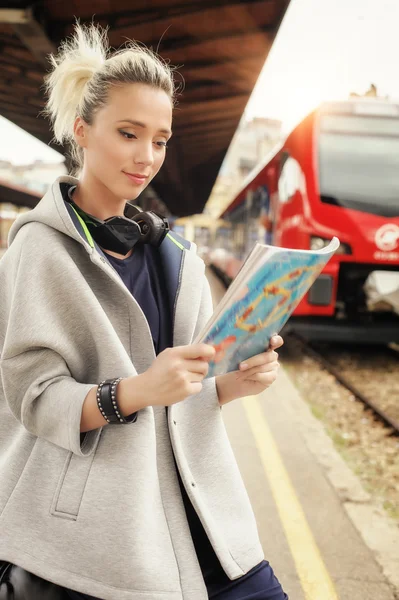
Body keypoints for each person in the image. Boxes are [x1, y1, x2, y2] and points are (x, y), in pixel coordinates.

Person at [0, 22, 287, 600]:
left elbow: (184, 390)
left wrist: (231, 384)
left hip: (206, 510)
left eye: (160, 140)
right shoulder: (39, 249)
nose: (147, 156)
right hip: (107, 534)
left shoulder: (176, 254)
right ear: (82, 130)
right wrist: (136, 391)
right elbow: (35, 399)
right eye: (129, 134)